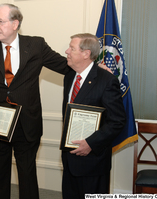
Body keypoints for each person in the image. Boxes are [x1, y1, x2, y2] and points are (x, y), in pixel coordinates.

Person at [0, 3, 71, 199]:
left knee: (27, 176)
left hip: (27, 123)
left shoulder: (36, 45)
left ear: (15, 24)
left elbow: (64, 66)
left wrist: (94, 69)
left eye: (1, 21)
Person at [61, 33, 126, 199]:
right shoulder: (69, 76)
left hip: (93, 162)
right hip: (69, 159)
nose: (67, 51)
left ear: (86, 53)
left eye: (72, 48)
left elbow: (117, 121)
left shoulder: (106, 80)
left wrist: (91, 143)